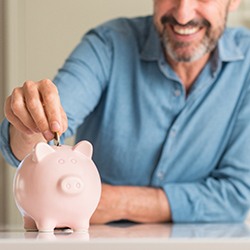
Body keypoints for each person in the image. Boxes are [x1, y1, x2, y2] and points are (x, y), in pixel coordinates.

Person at [1, 0, 250, 224]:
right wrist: (30, 125)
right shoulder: (108, 44)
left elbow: (236, 196)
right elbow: (35, 142)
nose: (183, 15)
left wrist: (116, 201)